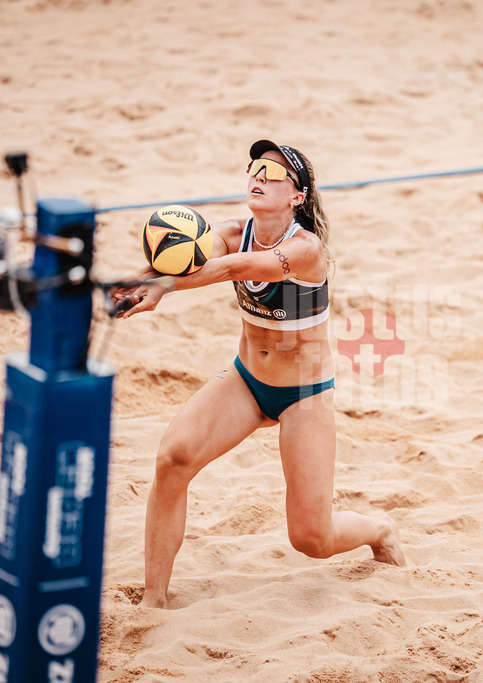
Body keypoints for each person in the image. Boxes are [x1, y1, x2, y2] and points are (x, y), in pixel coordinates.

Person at [114, 140, 405, 608]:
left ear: (297, 196)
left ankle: (379, 529)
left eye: (273, 172)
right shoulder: (232, 230)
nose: (259, 176)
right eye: (255, 168)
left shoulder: (306, 249)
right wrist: (139, 276)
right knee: (173, 459)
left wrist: (161, 288)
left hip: (303, 394)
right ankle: (154, 599)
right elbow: (190, 255)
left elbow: (233, 267)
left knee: (311, 538)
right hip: (247, 382)